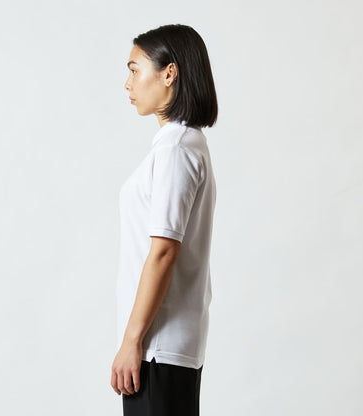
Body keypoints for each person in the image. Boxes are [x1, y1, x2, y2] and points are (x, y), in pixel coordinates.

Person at [110, 23, 218, 416]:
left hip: (157, 347)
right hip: (165, 347)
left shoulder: (176, 148)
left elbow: (163, 251)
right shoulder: (184, 144)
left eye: (135, 70)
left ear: (169, 73)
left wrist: (132, 340)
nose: (128, 83)